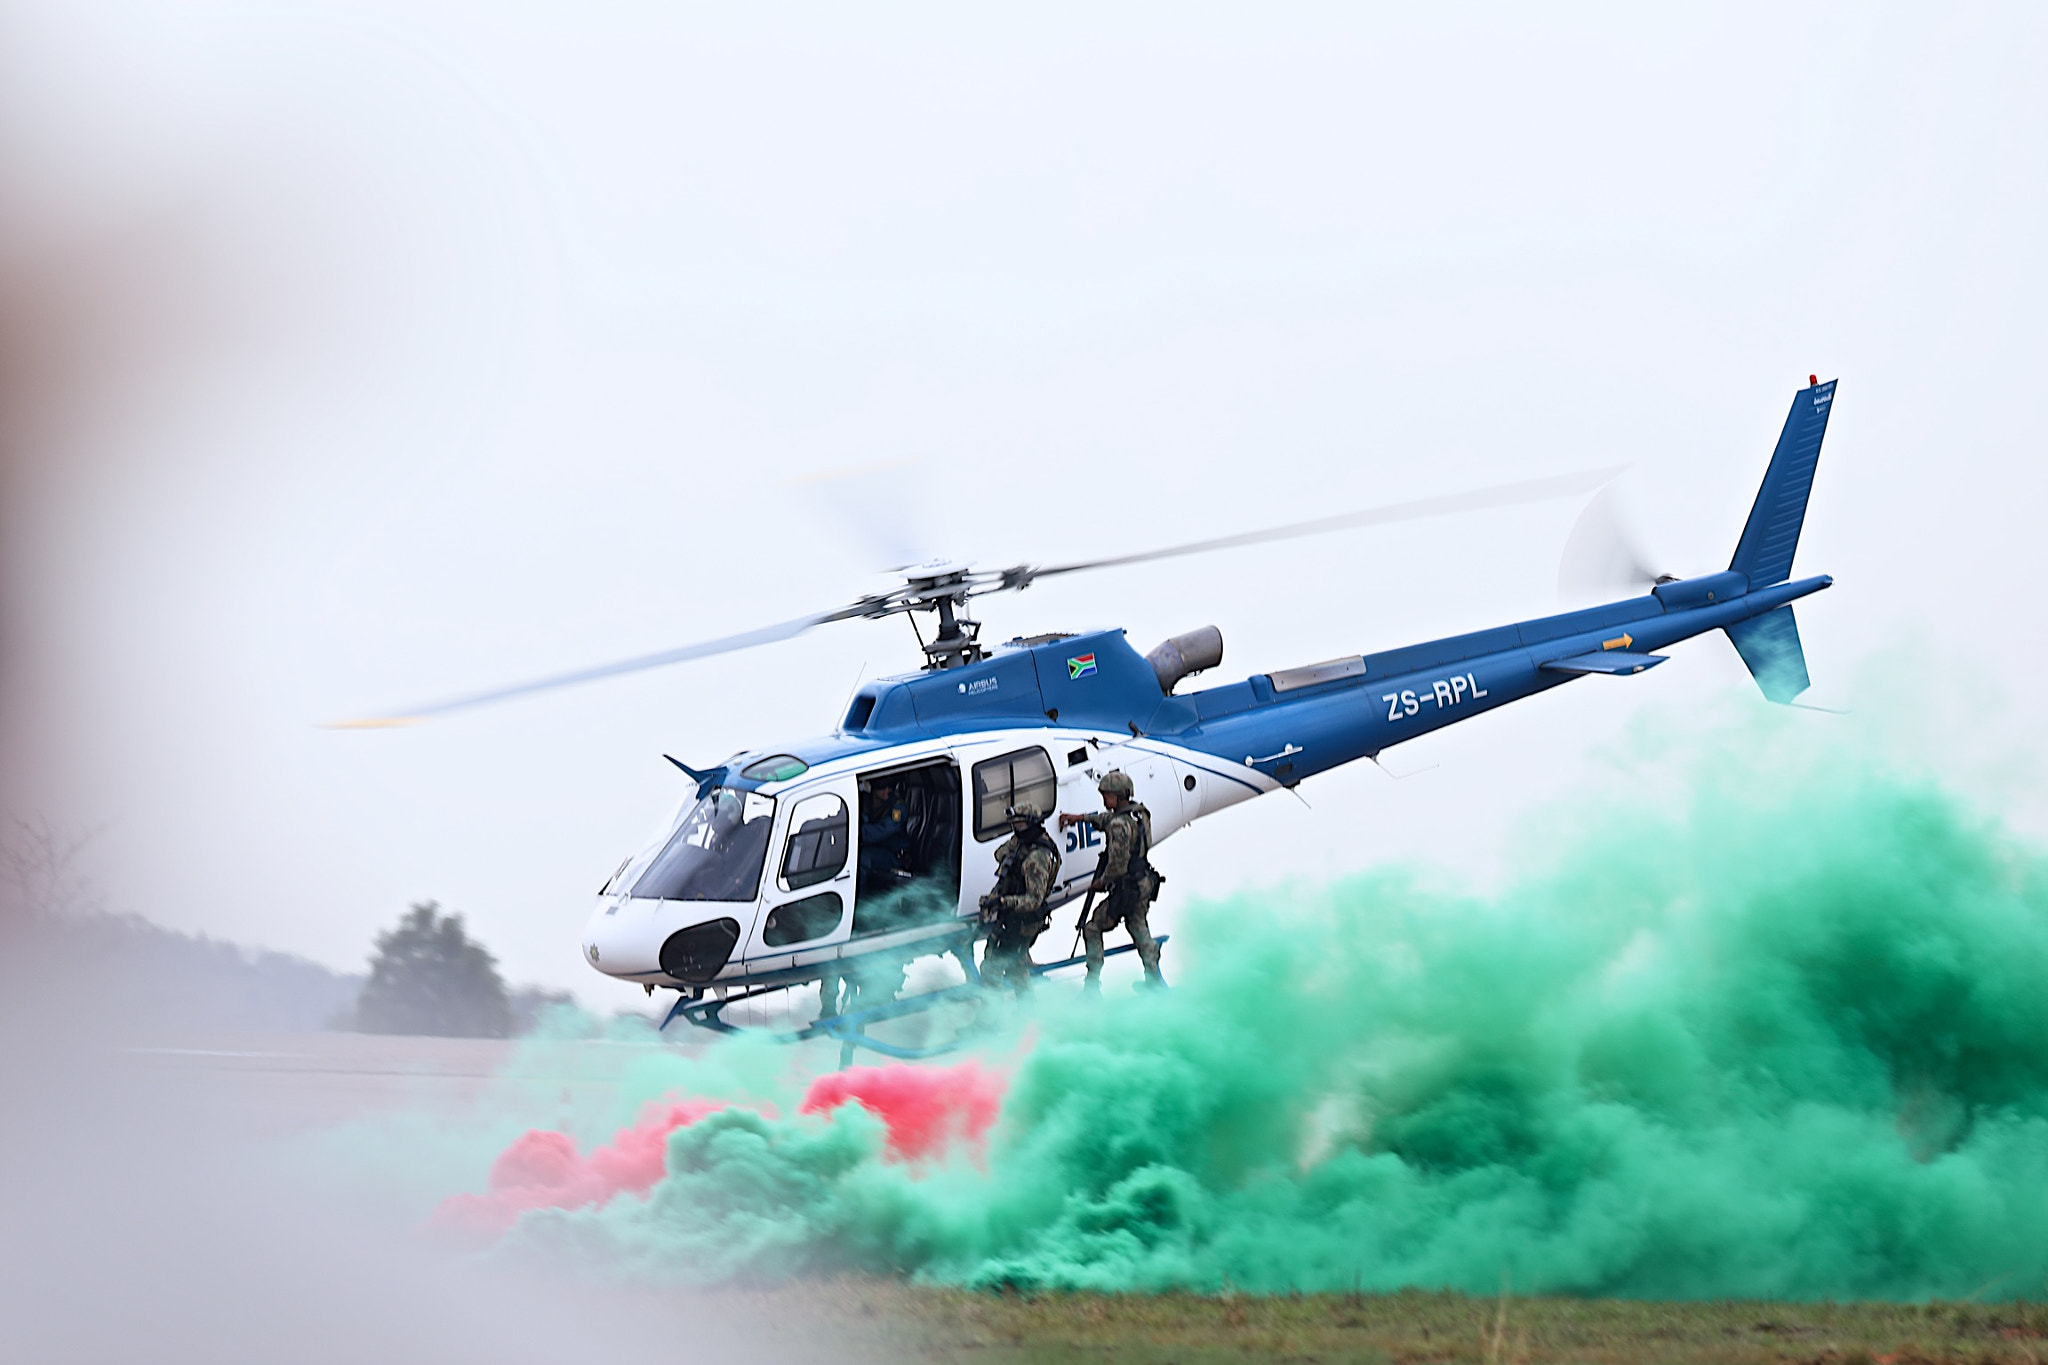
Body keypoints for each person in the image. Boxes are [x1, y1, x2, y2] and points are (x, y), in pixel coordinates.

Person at [1059, 770, 1164, 991]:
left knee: (1092, 928)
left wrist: (1101, 882)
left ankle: (1092, 986)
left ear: (1119, 796)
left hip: (1126, 887)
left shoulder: (1118, 824)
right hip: (1144, 881)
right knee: (1138, 926)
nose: (1104, 800)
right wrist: (1081, 819)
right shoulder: (1139, 813)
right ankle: (1154, 978)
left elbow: (1117, 864)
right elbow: (1107, 819)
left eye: (1107, 796)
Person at [978, 802, 1061, 997]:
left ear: (1033, 824)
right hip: (1014, 917)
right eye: (1014, 825)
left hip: (1024, 920)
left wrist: (1003, 902)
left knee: (991, 968)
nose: (1016, 829)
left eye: (1021, 825)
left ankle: (988, 1022)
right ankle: (1026, 1012)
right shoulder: (1021, 843)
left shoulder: (1037, 858)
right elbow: (999, 855)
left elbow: (1034, 900)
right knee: (1016, 966)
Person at [857, 778, 911, 894]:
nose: (887, 791)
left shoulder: (897, 807)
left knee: (860, 858)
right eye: (881, 787)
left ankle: (860, 898)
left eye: (890, 786)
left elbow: (882, 831)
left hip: (893, 855)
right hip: (876, 849)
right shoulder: (865, 801)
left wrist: (854, 834)